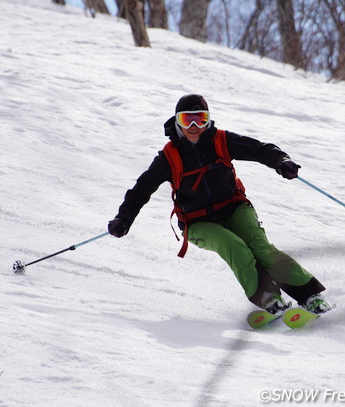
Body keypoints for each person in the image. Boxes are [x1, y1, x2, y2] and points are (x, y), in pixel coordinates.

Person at [108, 94, 332, 315]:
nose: (194, 126)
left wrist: (281, 161)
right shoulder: (169, 157)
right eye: (187, 120)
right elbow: (141, 190)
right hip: (197, 222)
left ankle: (310, 295)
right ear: (177, 121)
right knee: (233, 245)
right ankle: (267, 297)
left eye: (200, 119)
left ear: (208, 120)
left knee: (260, 247)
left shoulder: (222, 140)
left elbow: (260, 149)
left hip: (234, 208)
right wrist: (123, 218)